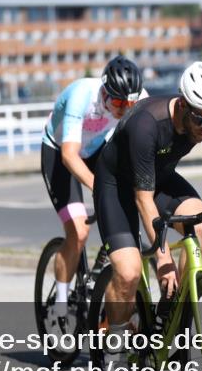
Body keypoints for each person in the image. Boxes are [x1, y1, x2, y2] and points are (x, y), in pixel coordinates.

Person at [93, 61, 202, 347]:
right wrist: (163, 258)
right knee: (129, 272)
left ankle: (173, 315)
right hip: (116, 186)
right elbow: (142, 198)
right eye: (201, 121)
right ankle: (116, 340)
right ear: (182, 104)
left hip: (159, 179)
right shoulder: (146, 123)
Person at [40, 56, 145, 317]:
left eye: (130, 104)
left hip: (96, 149)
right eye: (118, 103)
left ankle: (102, 271)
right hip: (60, 152)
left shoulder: (138, 99)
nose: (124, 109)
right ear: (104, 92)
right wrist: (100, 189)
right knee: (79, 231)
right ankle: (60, 305)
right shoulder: (82, 95)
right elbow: (69, 156)